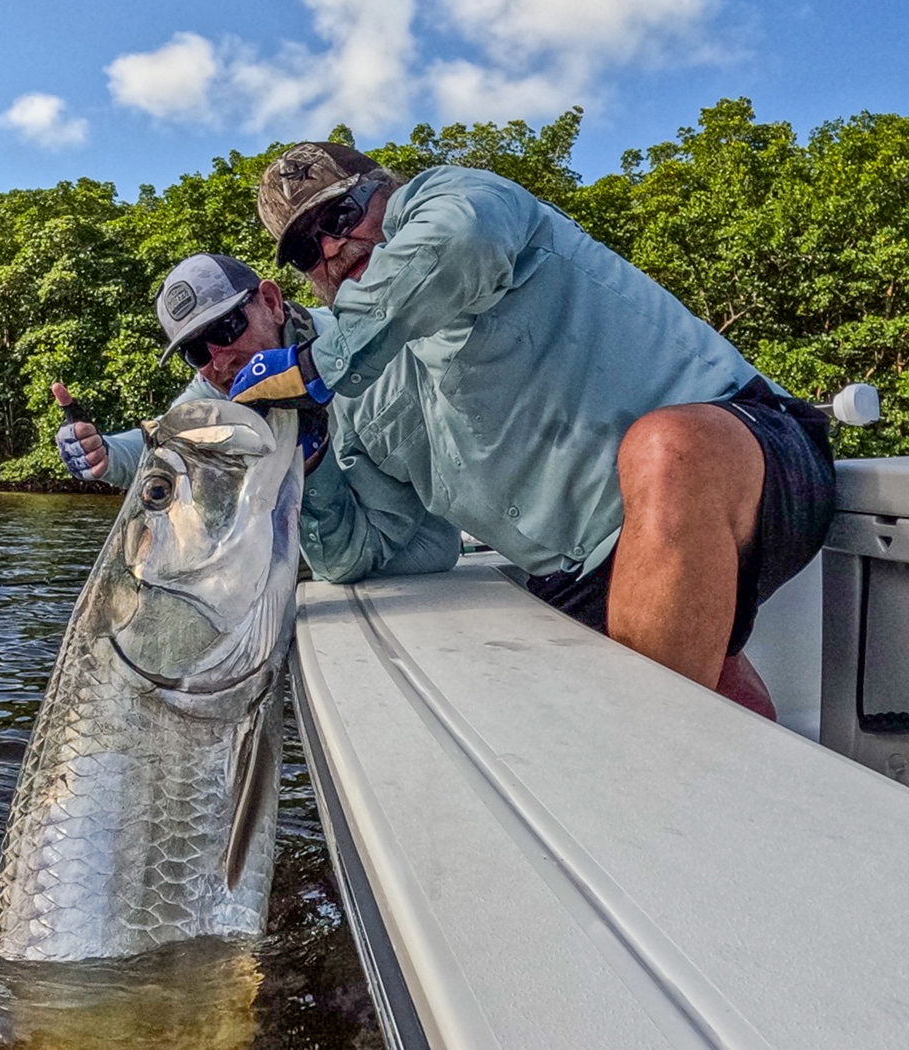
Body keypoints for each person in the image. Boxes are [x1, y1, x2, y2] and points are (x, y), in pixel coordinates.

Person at [229, 142, 836, 718]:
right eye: (308, 247)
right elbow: (359, 555)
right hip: (582, 571)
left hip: (751, 459)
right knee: (711, 707)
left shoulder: (457, 196)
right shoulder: (367, 383)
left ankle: (657, 785)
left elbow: (461, 238)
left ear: (389, 193)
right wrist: (313, 465)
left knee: (669, 450)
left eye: (341, 214)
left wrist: (314, 367)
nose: (333, 246)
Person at [55, 252, 461, 581]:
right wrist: (103, 453)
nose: (219, 358)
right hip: (328, 558)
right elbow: (170, 436)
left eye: (227, 327)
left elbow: (348, 562)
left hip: (417, 554)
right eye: (196, 351)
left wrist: (313, 454)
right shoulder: (219, 384)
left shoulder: (359, 347)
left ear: (271, 302)